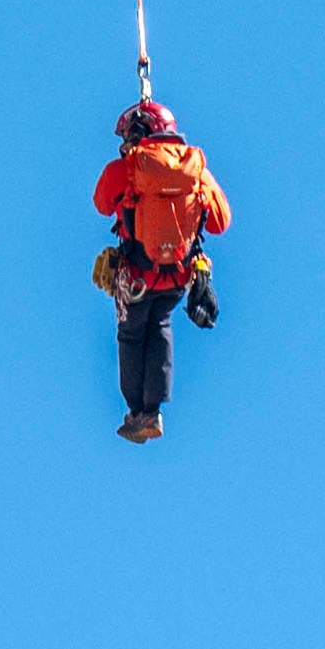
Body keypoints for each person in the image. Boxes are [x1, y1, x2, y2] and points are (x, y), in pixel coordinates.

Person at [93, 99, 233, 444]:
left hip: (139, 277)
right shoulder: (196, 170)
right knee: (160, 327)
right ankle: (153, 410)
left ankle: (136, 410)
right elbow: (220, 222)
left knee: (131, 336)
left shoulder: (124, 169)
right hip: (178, 276)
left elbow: (101, 204)